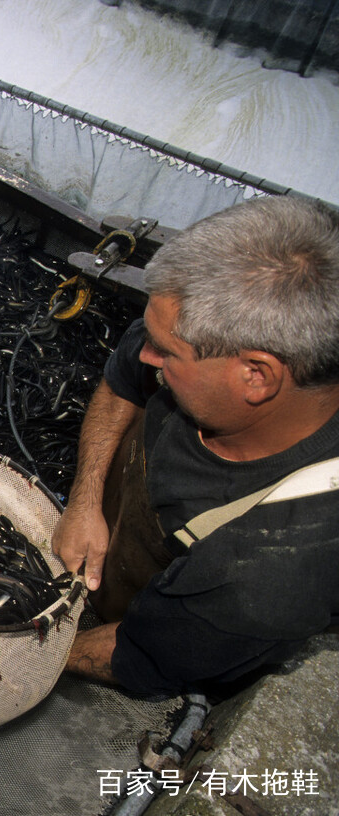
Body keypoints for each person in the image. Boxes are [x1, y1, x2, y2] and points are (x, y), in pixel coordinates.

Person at [55, 194, 339, 697]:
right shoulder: (201, 330)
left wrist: (37, 648)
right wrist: (85, 498)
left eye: (165, 352)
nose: (146, 352)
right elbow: (124, 376)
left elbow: (142, 656)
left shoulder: (268, 572)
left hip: (140, 636)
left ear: (256, 376)